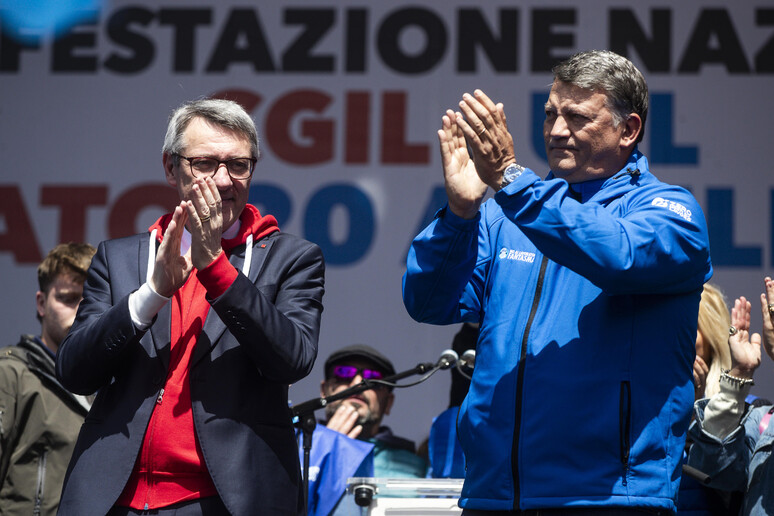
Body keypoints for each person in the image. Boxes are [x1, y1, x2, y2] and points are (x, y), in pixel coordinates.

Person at [402, 49, 712, 514]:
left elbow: (616, 256)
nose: (557, 131)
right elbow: (427, 303)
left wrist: (510, 180)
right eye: (550, 114)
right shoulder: (503, 216)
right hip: (492, 494)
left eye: (577, 117)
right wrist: (461, 215)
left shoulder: (672, 213)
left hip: (607, 497)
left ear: (628, 129)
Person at [55, 98, 326, 516]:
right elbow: (74, 371)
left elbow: (293, 359)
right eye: (204, 163)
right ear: (170, 168)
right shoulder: (122, 258)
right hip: (113, 498)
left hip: (227, 499)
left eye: (239, 164)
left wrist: (217, 269)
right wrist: (152, 294)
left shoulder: (291, 258)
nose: (222, 180)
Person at [0, 242, 95, 515]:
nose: (79, 311)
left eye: (88, 300)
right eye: (67, 298)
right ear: (42, 303)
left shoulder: (111, 386)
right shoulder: (10, 375)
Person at [687, 277, 774, 516]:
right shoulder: (631, 406)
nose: (677, 338)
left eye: (687, 326)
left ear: (711, 337)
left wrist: (693, 413)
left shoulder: (753, 415)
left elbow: (715, 477)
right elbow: (716, 470)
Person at [319, 344, 427, 479]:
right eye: (344, 373)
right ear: (324, 391)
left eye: (373, 378)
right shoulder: (296, 448)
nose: (358, 384)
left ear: (388, 403)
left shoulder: (415, 468)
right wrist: (321, 448)